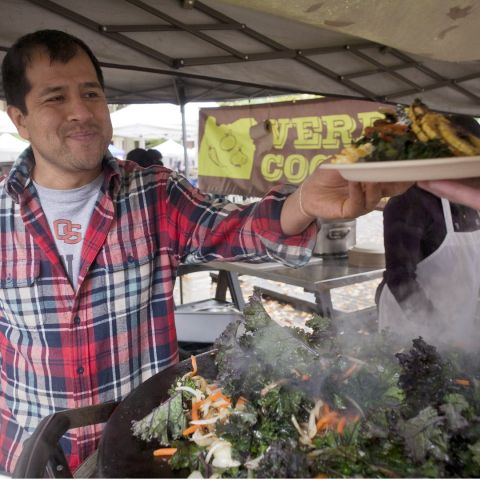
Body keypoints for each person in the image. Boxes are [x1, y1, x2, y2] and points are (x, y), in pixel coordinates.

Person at [0, 29, 408, 474]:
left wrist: (303, 204)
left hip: (147, 449)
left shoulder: (155, 193)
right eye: (55, 98)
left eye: (92, 93)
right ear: (18, 118)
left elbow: (238, 230)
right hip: (32, 451)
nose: (81, 111)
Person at [376, 115, 480, 347]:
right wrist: (439, 334)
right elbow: (400, 279)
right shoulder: (408, 202)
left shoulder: (471, 201)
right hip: (411, 325)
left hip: (457, 320)